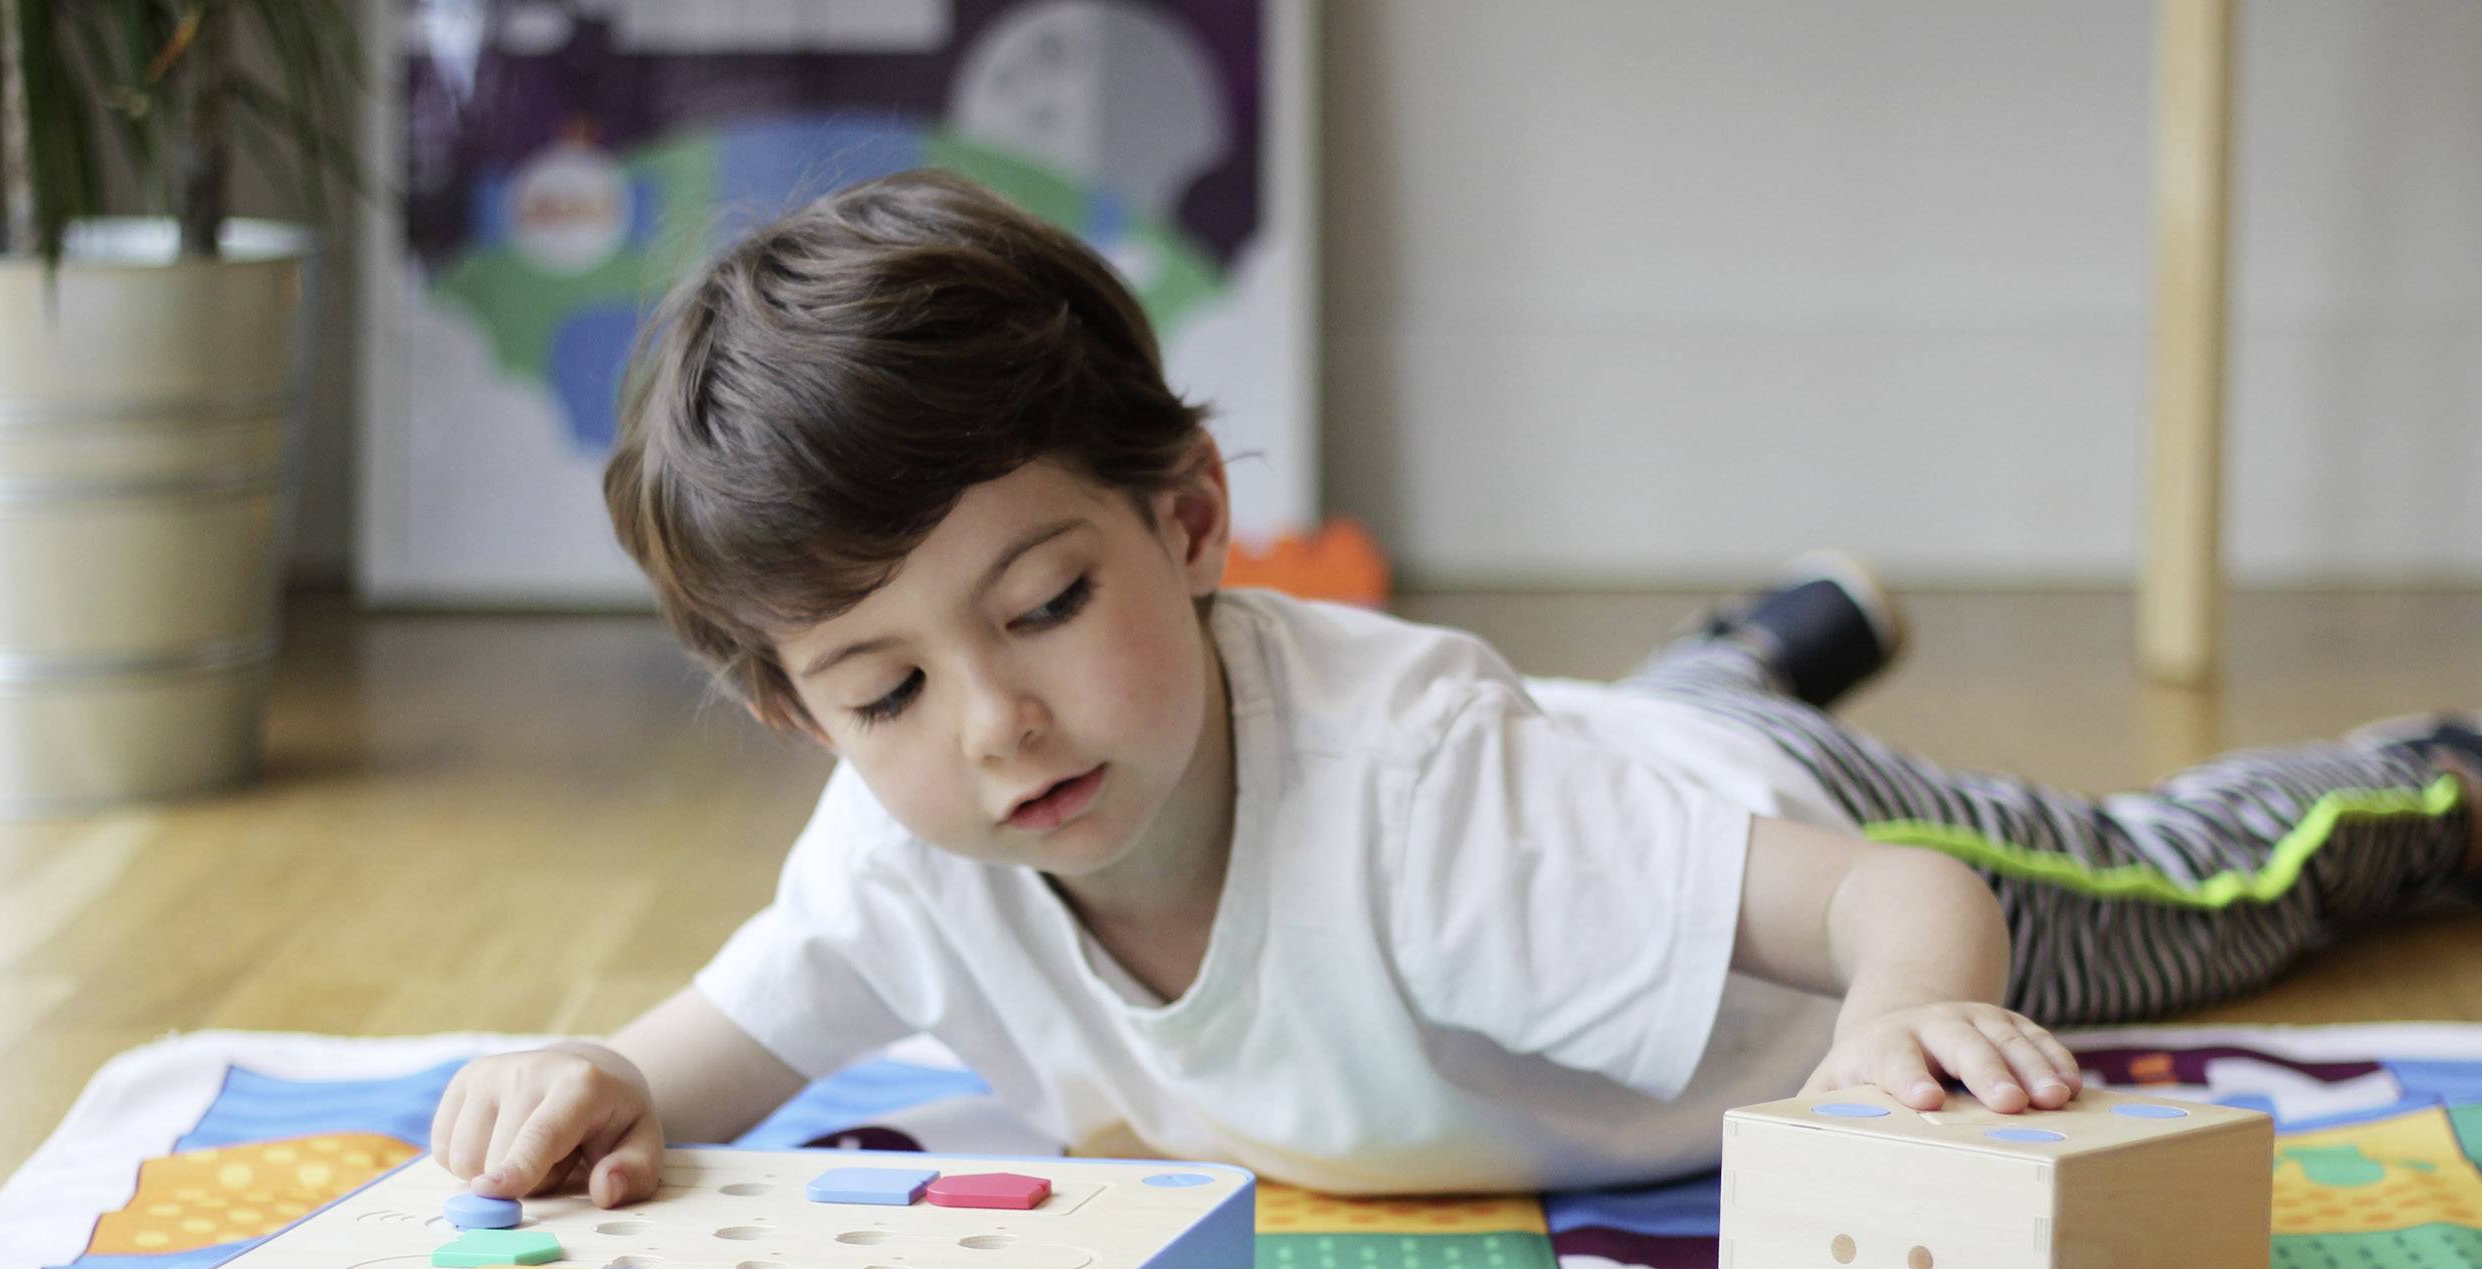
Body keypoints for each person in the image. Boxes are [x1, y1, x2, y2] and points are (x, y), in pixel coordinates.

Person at [430, 169, 2482, 1209]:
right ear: (805, 718)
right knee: (1576, 737)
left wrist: (1914, 1020)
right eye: (884, 688)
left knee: (2185, 891)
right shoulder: (913, 836)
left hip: (1745, 818)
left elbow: (1883, 902)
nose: (992, 726)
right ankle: (1775, 618)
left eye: (1045, 605)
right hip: (1587, 770)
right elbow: (696, 1059)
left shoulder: (1443, 807)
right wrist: (597, 1084)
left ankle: (2429, 775)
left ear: (1193, 515)